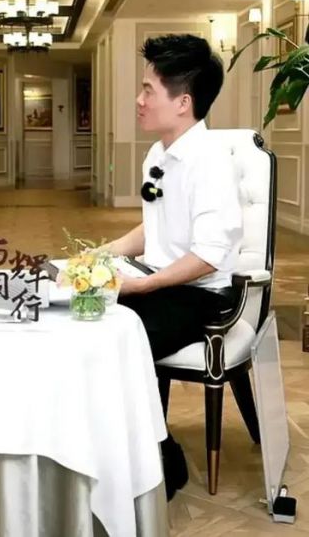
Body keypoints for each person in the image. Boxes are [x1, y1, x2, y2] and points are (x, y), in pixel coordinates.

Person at [101, 34, 243, 500]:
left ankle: (160, 456)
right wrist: (102, 252)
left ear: (183, 102)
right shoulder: (158, 155)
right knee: (93, 324)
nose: (139, 100)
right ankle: (120, 451)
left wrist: (142, 287)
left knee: (121, 337)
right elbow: (154, 225)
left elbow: (208, 256)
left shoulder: (210, 162)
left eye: (148, 90)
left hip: (203, 294)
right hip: (163, 284)